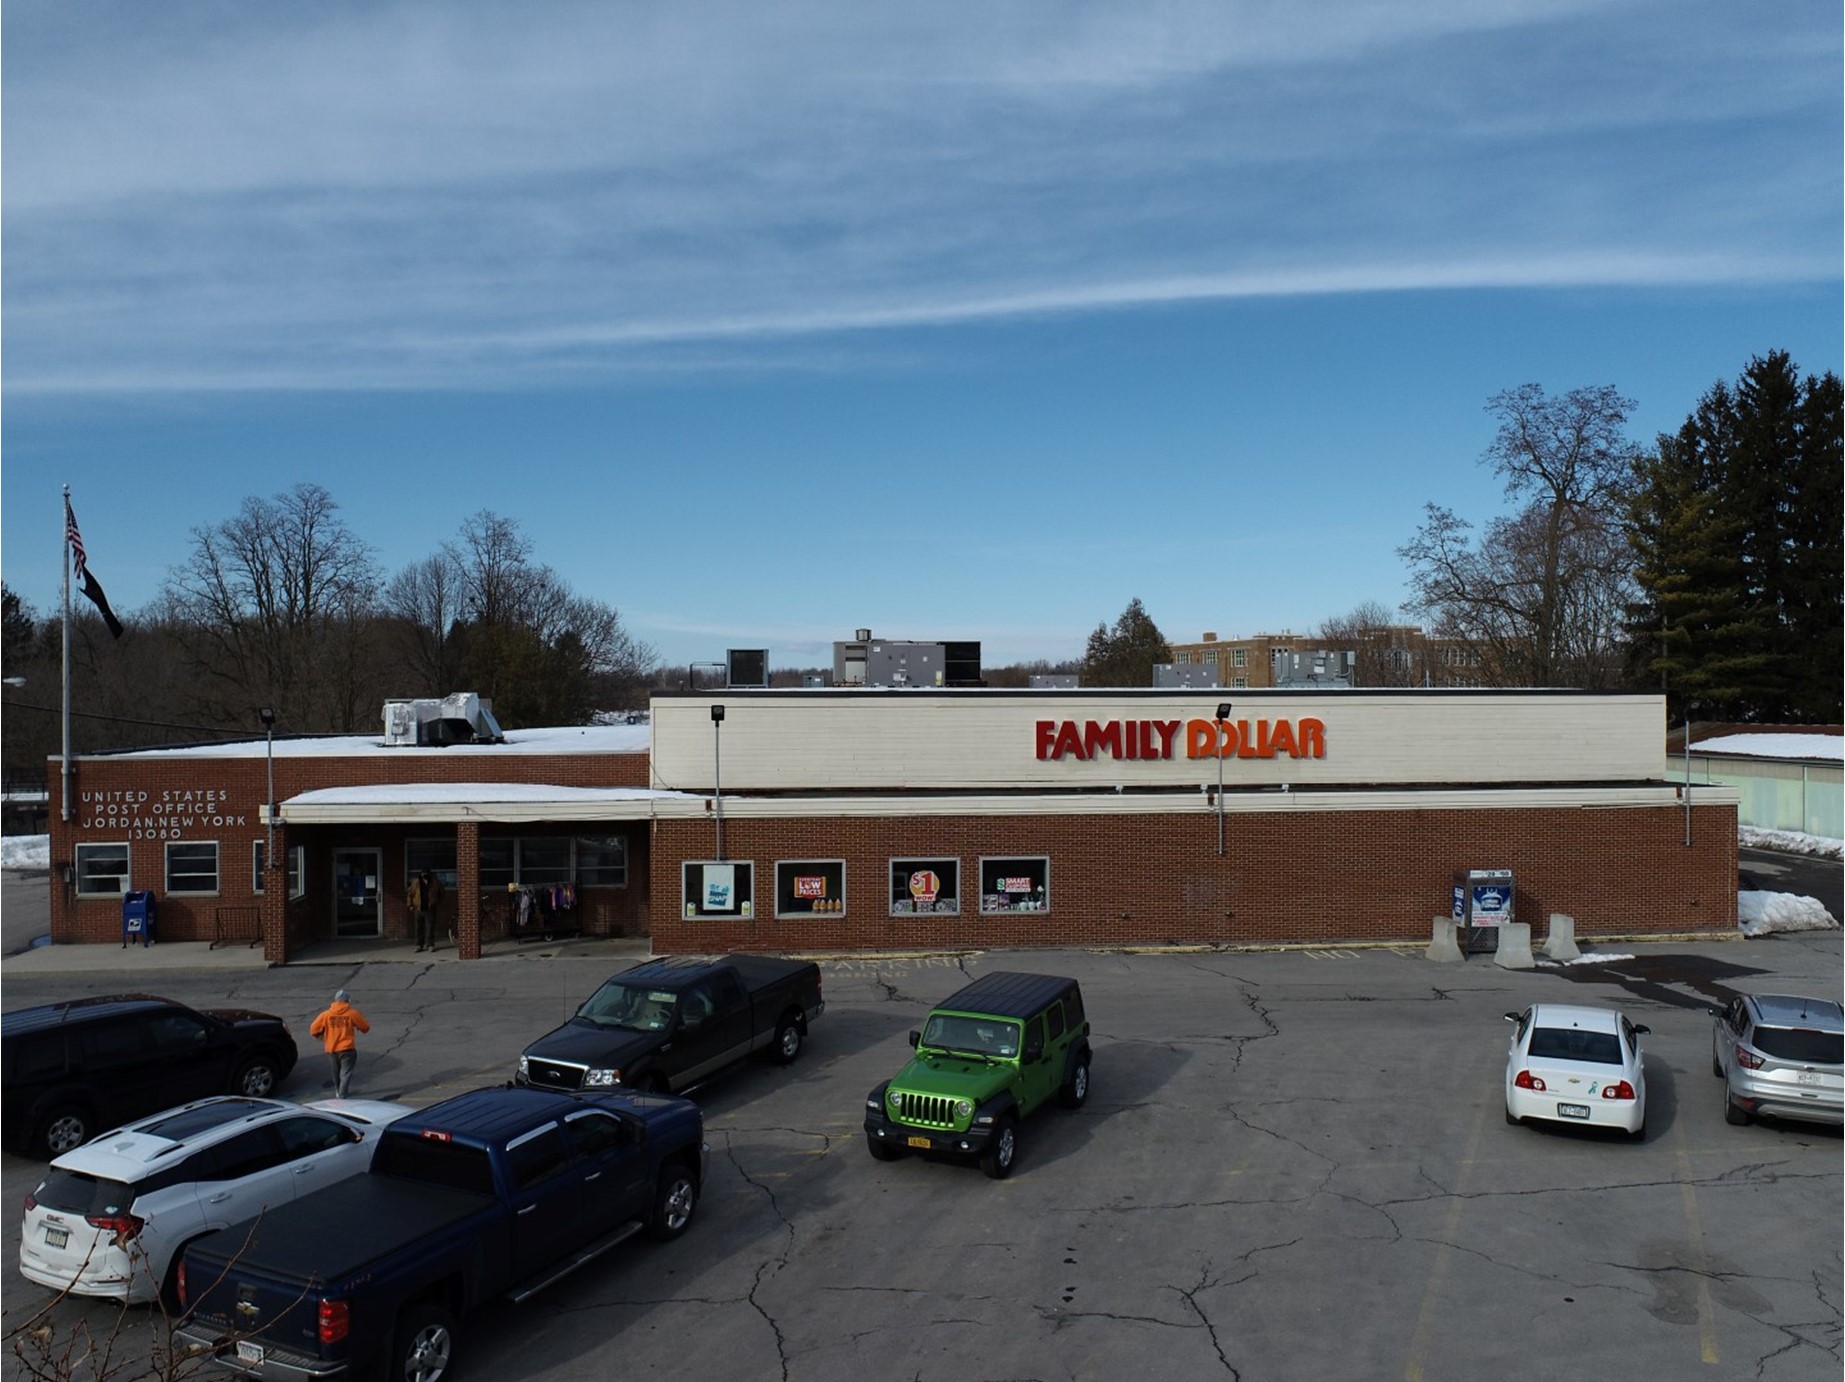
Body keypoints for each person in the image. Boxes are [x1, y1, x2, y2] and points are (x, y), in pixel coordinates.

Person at [309, 989, 371, 1098]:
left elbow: (313, 1029)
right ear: (347, 1001)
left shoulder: (326, 1015)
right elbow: (365, 1027)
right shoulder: (352, 1013)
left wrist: (320, 1035)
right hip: (347, 1048)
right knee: (345, 1072)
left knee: (335, 1072)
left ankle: (338, 1091)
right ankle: (342, 1095)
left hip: (331, 1049)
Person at [407, 868, 445, 952]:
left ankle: (430, 945)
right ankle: (419, 945)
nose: (425, 876)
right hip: (418, 908)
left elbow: (442, 893)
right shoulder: (416, 882)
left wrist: (436, 902)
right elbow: (410, 894)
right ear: (420, 875)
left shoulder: (435, 883)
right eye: (423, 874)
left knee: (430, 928)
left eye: (426, 874)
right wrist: (410, 905)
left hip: (430, 909)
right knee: (418, 928)